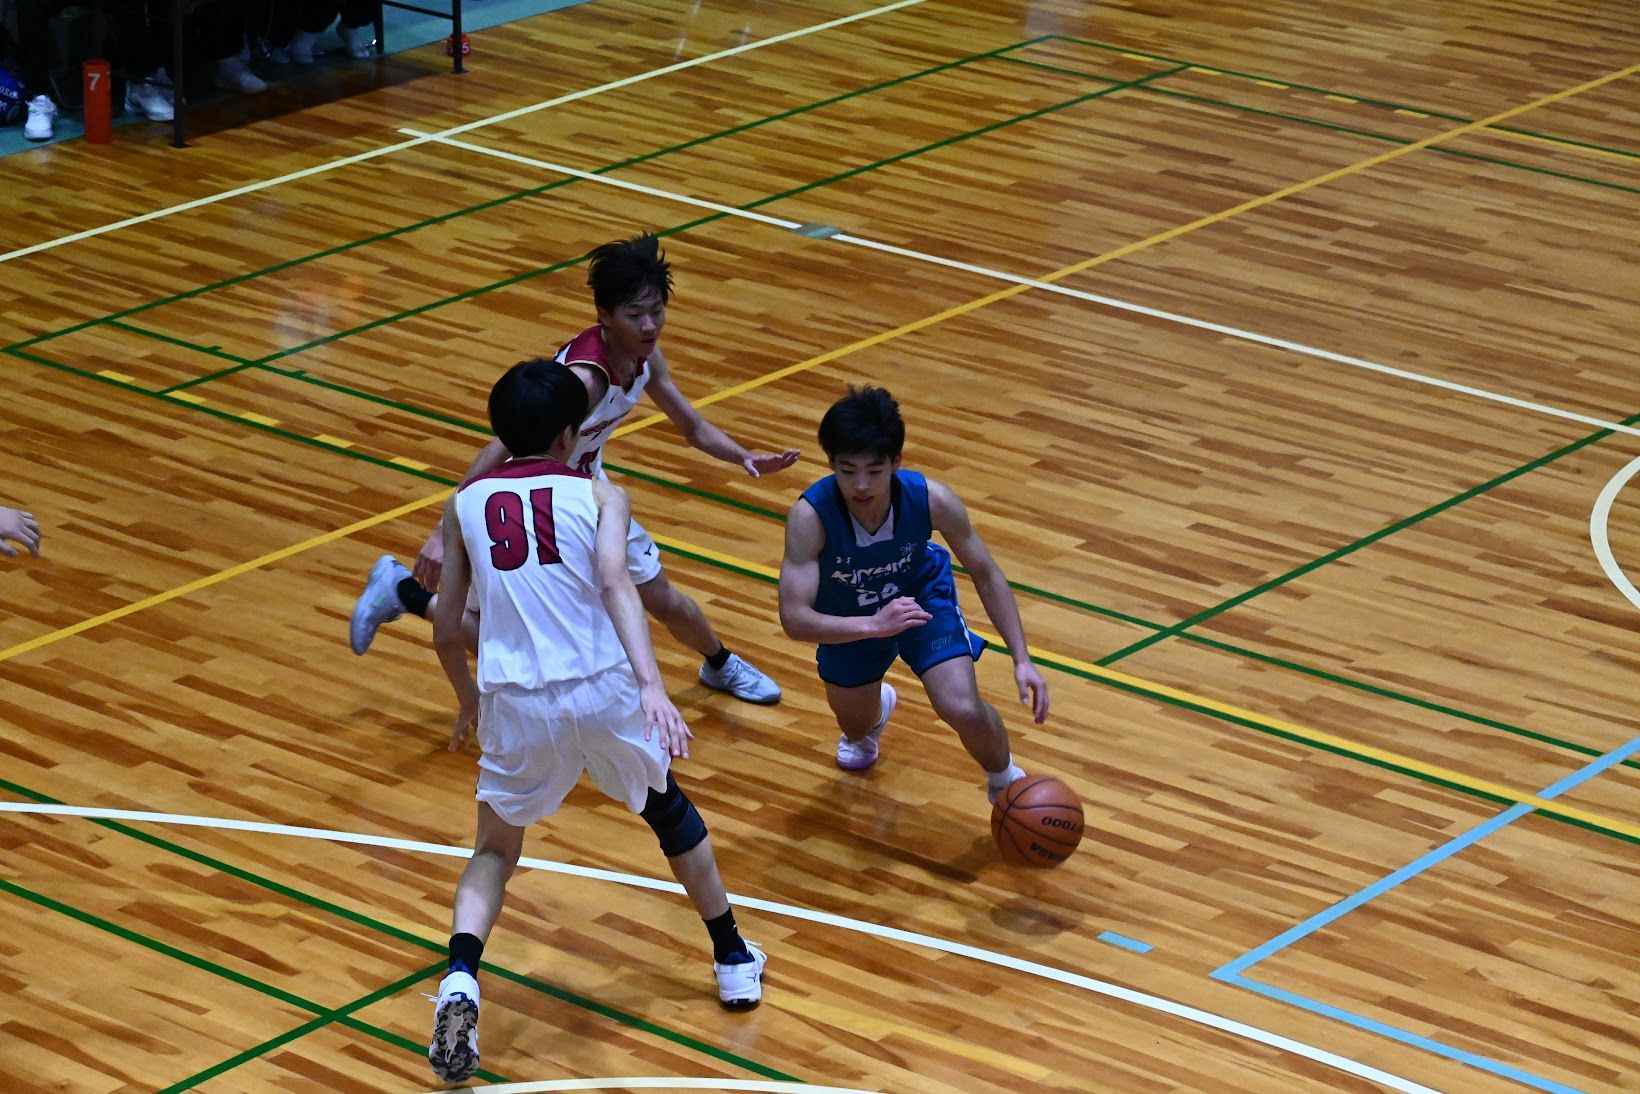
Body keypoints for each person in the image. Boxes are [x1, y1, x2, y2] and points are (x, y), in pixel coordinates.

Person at [427, 359, 766, 1084]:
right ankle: (733, 957)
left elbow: (447, 625)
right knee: (668, 813)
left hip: (516, 699)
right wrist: (652, 686)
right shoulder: (601, 494)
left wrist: (466, 699)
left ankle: (460, 978)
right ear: (569, 433)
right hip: (601, 686)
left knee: (495, 850)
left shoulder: (463, 506)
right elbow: (617, 584)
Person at [350, 232, 798, 707]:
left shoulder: (645, 357)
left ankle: (720, 664)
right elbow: (500, 447)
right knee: (497, 635)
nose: (650, 325)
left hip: (584, 490)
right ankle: (403, 591)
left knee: (661, 595)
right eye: (635, 315)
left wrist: (743, 456)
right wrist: (445, 532)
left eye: (656, 311)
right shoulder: (585, 380)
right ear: (604, 316)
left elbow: (694, 427)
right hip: (526, 497)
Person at [777, 386, 1049, 803]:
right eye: (848, 471)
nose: (861, 484)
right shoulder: (810, 517)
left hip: (921, 599)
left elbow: (986, 573)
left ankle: (1006, 781)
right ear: (831, 464)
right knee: (854, 727)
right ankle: (875, 713)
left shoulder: (931, 499)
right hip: (849, 618)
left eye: (874, 471)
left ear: (896, 462)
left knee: (962, 706)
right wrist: (873, 625)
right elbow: (794, 618)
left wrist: (1022, 658)